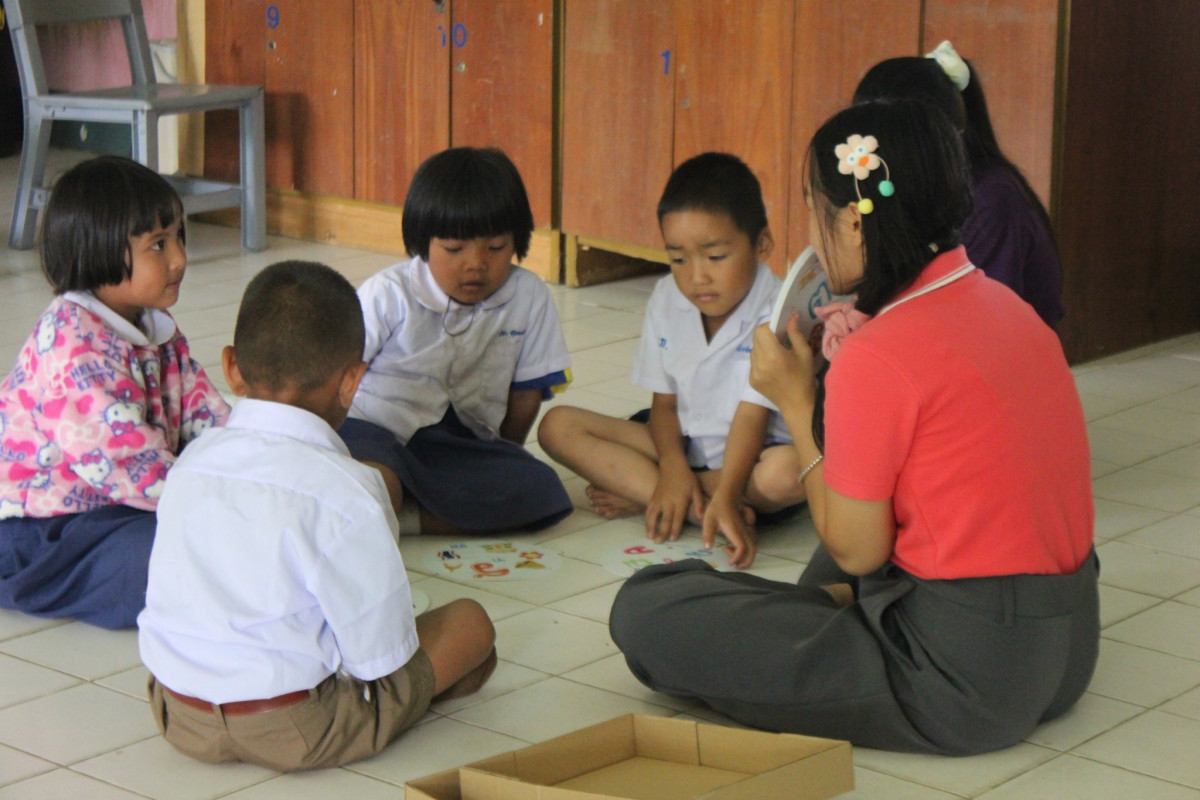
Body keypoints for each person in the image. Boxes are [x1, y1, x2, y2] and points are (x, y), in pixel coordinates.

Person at [608, 100, 1098, 755]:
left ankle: (821, 638)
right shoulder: (1009, 308)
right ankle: (825, 626)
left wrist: (795, 400)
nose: (811, 234)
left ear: (853, 223)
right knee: (864, 505)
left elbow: (857, 552)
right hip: (1068, 647)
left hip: (958, 681)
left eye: (814, 210)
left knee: (647, 608)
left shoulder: (880, 353)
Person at [137, 261, 497, 771]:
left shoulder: (192, 461)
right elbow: (379, 658)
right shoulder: (347, 493)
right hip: (297, 728)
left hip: (178, 715)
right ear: (352, 381)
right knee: (470, 625)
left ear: (232, 367)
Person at [538, 153, 804, 569]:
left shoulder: (778, 312)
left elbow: (751, 418)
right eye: (679, 259)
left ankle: (673, 497)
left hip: (754, 457)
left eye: (715, 257)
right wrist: (674, 467)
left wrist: (726, 490)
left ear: (762, 245)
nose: (697, 277)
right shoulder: (666, 297)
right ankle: (695, 505)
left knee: (788, 472)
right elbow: (664, 405)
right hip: (683, 441)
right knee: (557, 426)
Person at [0, 156, 229, 630]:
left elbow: (204, 412)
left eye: (180, 237)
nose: (179, 259)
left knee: (203, 538)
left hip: (115, 500)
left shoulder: (152, 323)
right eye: (158, 245)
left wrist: (254, 462)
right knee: (161, 557)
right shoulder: (73, 347)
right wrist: (222, 502)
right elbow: (127, 465)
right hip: (39, 527)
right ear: (96, 250)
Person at [338, 147, 572, 535]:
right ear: (423, 242)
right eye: (454, 249)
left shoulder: (529, 295)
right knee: (378, 484)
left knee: (541, 488)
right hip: (373, 431)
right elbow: (335, 372)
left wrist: (503, 455)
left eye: (496, 247)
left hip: (457, 443)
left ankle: (408, 519)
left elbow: (526, 394)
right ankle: (394, 502)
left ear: (517, 240)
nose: (476, 263)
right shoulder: (389, 293)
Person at [853, 41, 1065, 328]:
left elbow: (979, 326)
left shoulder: (990, 201)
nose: (866, 152)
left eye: (877, 137)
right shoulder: (907, 187)